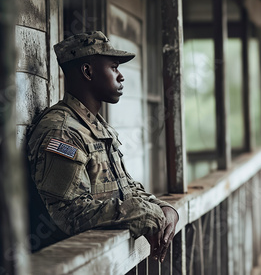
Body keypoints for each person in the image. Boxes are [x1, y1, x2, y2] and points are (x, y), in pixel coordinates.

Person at [26, 31, 178, 262]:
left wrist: (163, 208)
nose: (121, 76)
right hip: (70, 262)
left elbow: (125, 187)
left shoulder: (96, 126)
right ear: (88, 71)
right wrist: (142, 213)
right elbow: (69, 213)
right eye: (114, 67)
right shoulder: (62, 130)